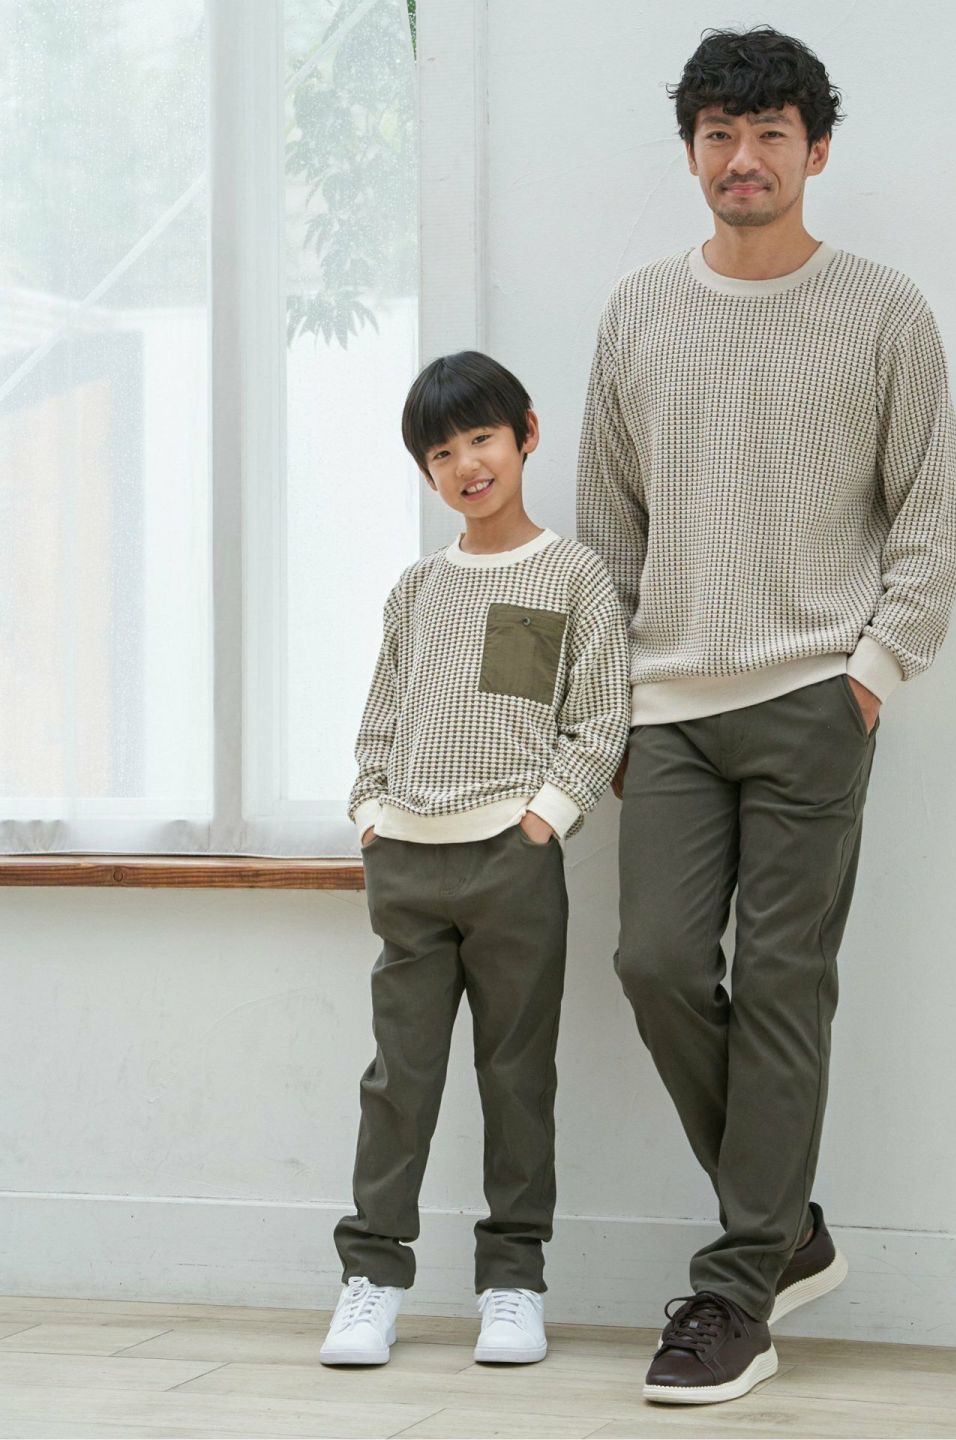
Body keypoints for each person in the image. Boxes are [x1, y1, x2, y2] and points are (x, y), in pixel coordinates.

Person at [577, 26, 956, 1405]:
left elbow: (930, 517)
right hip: (668, 710)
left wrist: (873, 672)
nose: (743, 158)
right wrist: (608, 710)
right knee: (656, 965)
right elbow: (605, 533)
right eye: (719, 135)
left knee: (787, 984)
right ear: (691, 150)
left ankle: (736, 1292)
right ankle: (787, 1228)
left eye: (771, 134)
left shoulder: (883, 310)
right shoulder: (638, 311)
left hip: (815, 697)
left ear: (817, 149)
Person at [321, 350, 629, 1368]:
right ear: (427, 472)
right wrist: (371, 811)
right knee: (398, 1081)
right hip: (407, 866)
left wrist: (542, 819)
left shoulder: (572, 576)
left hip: (512, 865)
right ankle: (371, 1279)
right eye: (441, 453)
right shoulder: (417, 590)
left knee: (516, 1078)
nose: (466, 465)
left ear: (526, 435)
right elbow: (379, 718)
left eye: (482, 439)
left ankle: (513, 1284)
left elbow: (599, 719)